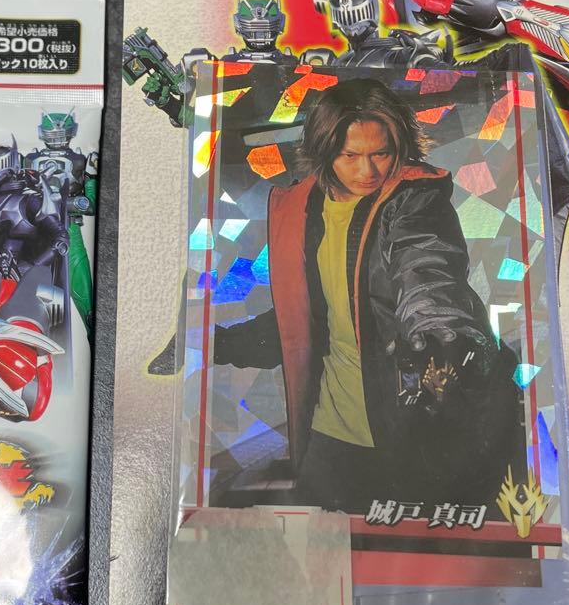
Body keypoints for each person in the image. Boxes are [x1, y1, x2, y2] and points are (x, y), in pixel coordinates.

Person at [214, 79, 523, 513]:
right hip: (330, 437)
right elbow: (303, 322)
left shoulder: (414, 202)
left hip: (412, 435)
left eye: (381, 153)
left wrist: (438, 331)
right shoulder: (305, 210)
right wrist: (215, 343)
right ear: (325, 151)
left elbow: (426, 269)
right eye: (350, 155)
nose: (368, 171)